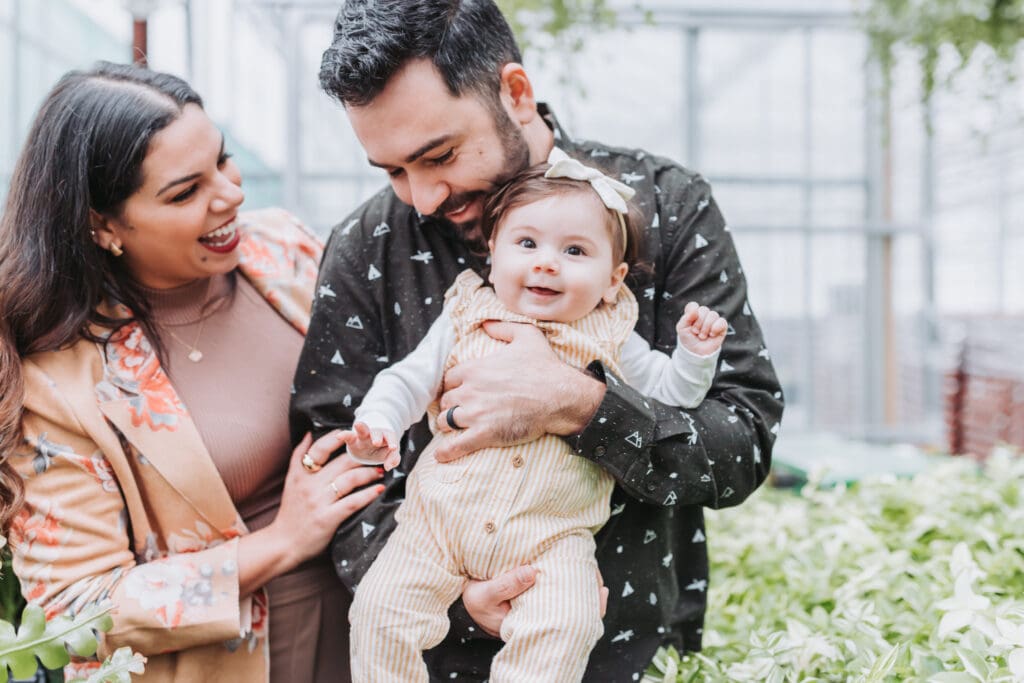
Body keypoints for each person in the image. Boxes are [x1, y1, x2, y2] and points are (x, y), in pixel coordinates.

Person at [291, 0, 785, 679]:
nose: (423, 196)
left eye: (440, 155)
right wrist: (458, 601)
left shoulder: (666, 206)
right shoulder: (363, 248)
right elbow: (334, 474)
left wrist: (581, 405)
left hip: (629, 656)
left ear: (515, 93)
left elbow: (744, 439)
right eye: (393, 171)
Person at [0, 62, 383, 683]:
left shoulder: (282, 246)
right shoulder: (56, 383)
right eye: (185, 192)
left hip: (383, 630)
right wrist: (280, 542)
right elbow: (74, 608)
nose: (230, 195)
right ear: (102, 224)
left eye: (222, 162)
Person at [343, 158, 727, 681]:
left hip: (552, 537)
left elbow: (672, 396)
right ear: (493, 254)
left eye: (574, 251)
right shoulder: (465, 314)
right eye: (527, 244)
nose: (547, 263)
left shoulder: (612, 331)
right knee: (379, 612)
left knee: (567, 624)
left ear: (613, 280)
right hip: (436, 524)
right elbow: (406, 381)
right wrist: (379, 423)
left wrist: (695, 354)